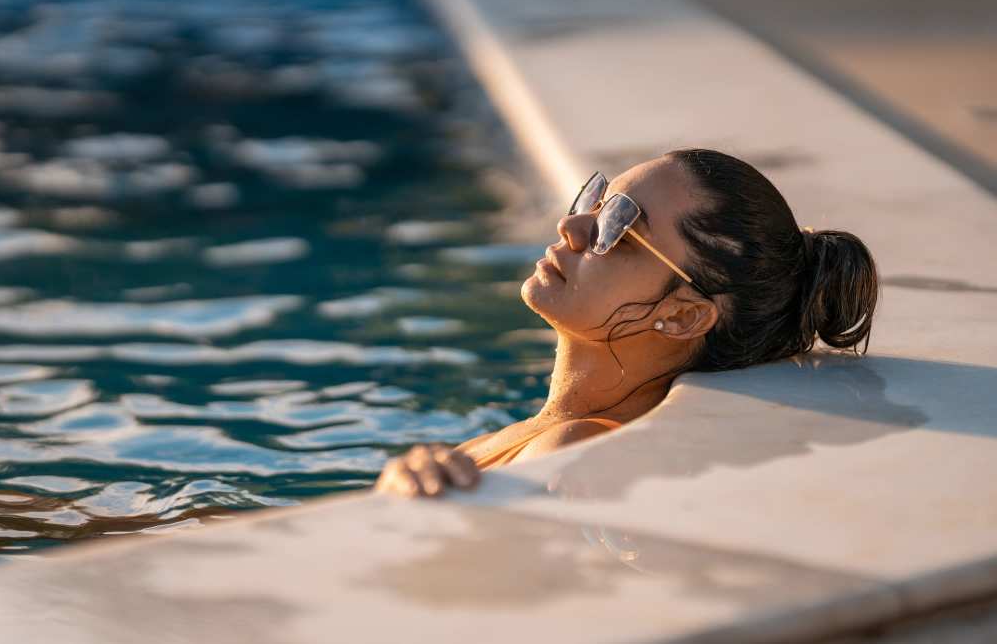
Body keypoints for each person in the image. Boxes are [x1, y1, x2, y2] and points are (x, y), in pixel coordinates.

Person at [374, 148, 879, 497]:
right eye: (596, 201)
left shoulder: (571, 447)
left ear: (682, 315)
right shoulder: (542, 432)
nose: (571, 227)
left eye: (618, 228)